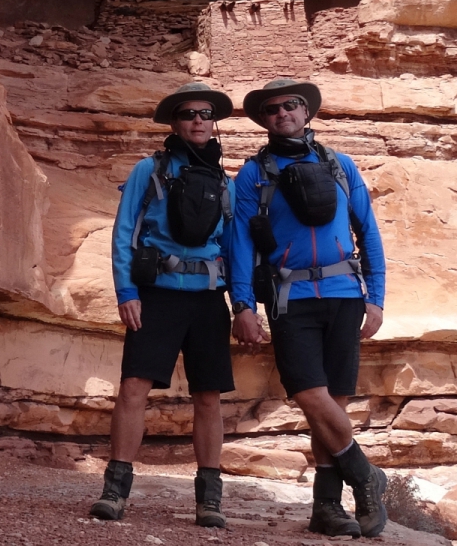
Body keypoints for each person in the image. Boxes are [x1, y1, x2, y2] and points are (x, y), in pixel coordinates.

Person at [228, 79, 389, 538]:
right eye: (272, 109)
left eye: (291, 105)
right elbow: (238, 242)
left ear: (306, 112)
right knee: (307, 393)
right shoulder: (253, 174)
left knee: (331, 402)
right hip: (288, 296)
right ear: (264, 120)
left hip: (343, 293)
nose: (282, 113)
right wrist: (241, 303)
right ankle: (365, 474)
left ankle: (325, 508)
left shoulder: (341, 165)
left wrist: (375, 298)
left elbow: (368, 232)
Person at [92, 82, 236, 528]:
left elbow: (233, 245)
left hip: (209, 300)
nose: (198, 120)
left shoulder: (224, 180)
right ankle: (114, 493)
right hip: (156, 295)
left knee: (208, 396)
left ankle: (209, 501)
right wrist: (127, 292)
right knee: (134, 388)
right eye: (189, 114)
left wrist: (245, 302)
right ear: (174, 123)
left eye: (205, 114)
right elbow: (124, 232)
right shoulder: (147, 170)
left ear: (214, 124)